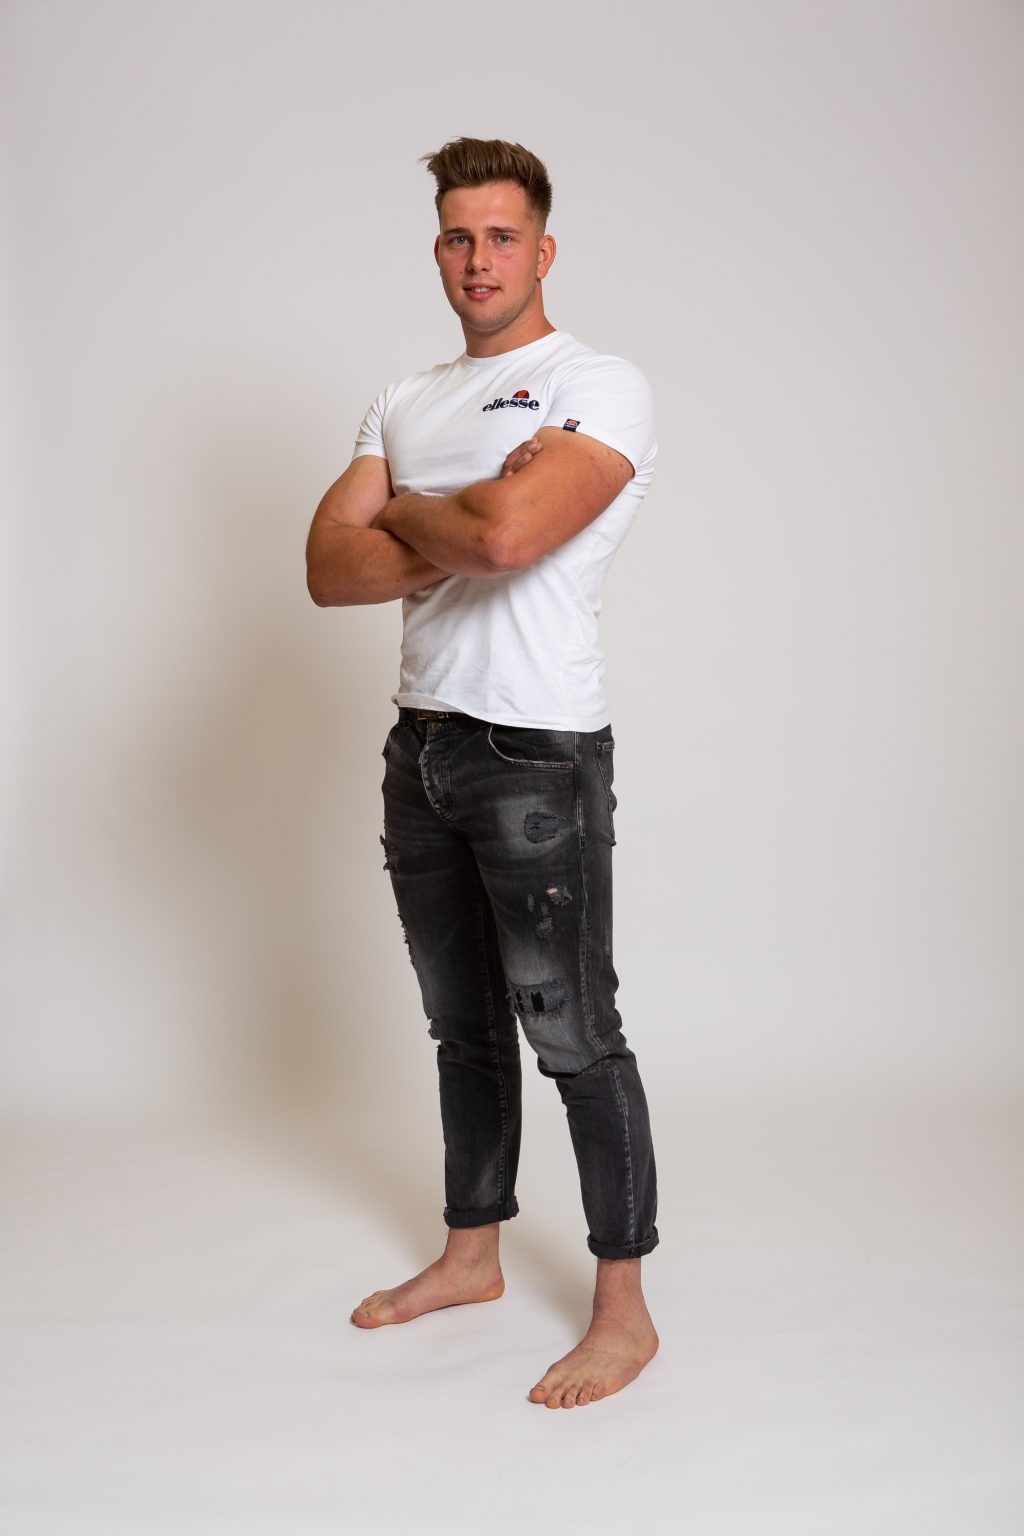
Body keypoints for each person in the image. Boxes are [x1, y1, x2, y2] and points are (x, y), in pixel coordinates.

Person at [305, 137, 660, 1409]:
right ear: (437, 249)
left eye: (501, 236)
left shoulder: (594, 383)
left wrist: (410, 508)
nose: (478, 258)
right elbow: (326, 567)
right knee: (461, 1025)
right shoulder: (403, 397)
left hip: (535, 749)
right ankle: (472, 1257)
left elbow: (509, 540)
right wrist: (452, 506)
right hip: (422, 744)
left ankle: (623, 1311)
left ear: (542, 249)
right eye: (458, 236)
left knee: (573, 1032)